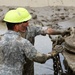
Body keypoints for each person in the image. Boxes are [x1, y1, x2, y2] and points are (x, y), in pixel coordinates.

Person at [1, 8, 69, 75]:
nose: (27, 24)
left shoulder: (2, 39)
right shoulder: (23, 43)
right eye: (24, 22)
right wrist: (53, 53)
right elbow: (40, 58)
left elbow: (46, 30)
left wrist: (61, 31)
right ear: (16, 26)